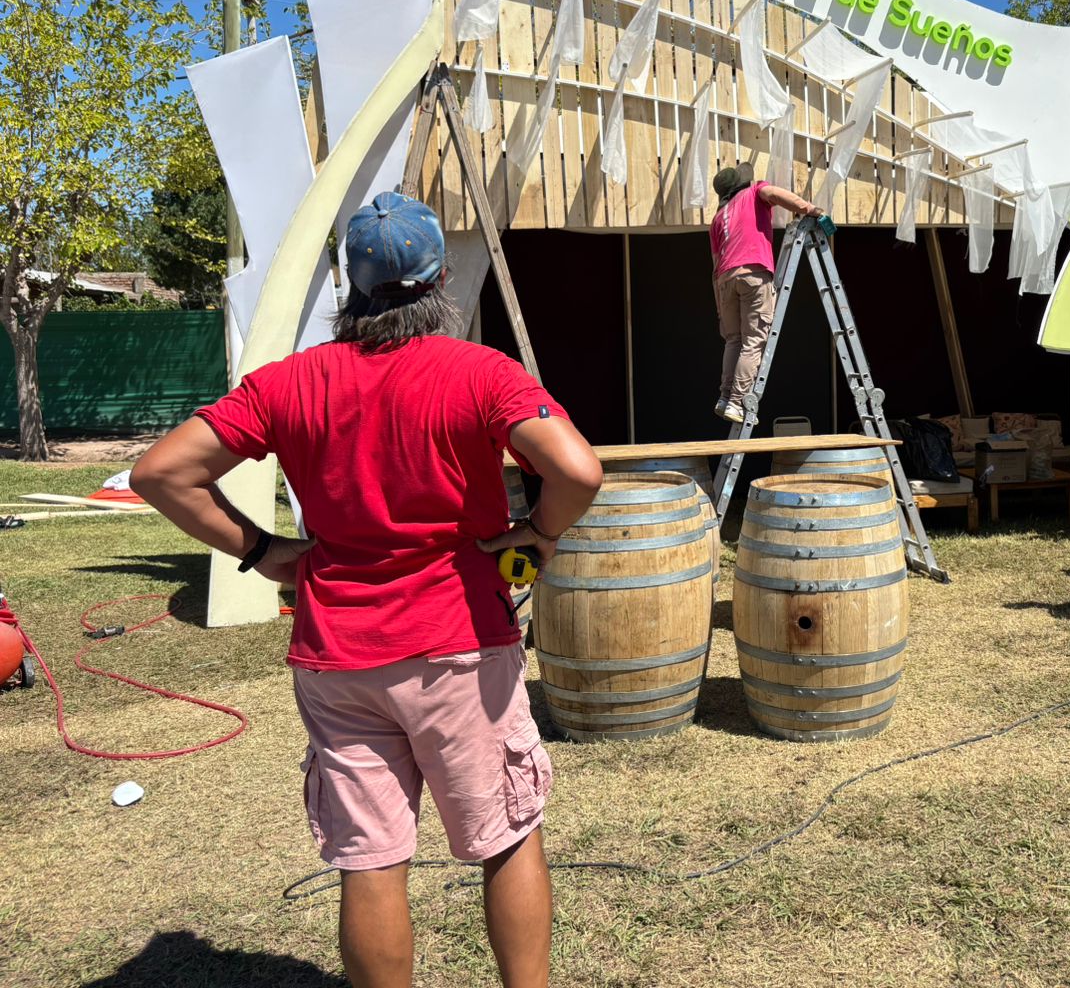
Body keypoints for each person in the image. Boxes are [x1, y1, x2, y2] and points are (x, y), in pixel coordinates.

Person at [131, 191, 603, 988]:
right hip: (459, 647)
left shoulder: (288, 382)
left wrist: (262, 550)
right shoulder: (481, 373)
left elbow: (160, 472)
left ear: (351, 283)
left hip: (337, 658)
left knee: (370, 860)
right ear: (441, 279)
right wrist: (541, 533)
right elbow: (579, 468)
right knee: (507, 837)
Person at [709, 161, 825, 424]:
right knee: (753, 341)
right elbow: (774, 194)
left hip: (726, 279)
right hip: (752, 271)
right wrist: (809, 209)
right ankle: (737, 402)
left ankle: (725, 397)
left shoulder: (717, 219)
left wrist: (719, 306)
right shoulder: (754, 192)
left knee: (734, 340)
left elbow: (715, 266)